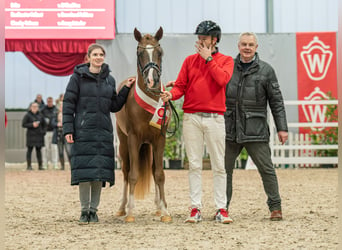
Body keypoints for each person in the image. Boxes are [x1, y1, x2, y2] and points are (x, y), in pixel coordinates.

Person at [161, 20, 234, 224]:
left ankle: (221, 208)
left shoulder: (226, 60)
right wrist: (170, 95)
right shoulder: (189, 61)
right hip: (192, 118)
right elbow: (181, 87)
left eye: (204, 38)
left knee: (219, 165)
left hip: (215, 118)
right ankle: (195, 208)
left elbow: (222, 80)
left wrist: (208, 59)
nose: (200, 41)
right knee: (194, 165)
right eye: (199, 38)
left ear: (214, 39)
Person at [63, 43, 135, 224]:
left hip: (103, 132)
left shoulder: (109, 80)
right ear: (88, 57)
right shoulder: (77, 78)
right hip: (83, 131)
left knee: (98, 174)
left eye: (101, 54)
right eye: (95, 54)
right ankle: (84, 210)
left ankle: (94, 210)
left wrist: (125, 88)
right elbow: (68, 105)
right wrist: (68, 129)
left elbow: (114, 106)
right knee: (85, 174)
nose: (98, 57)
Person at [224, 32, 288, 221]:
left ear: (256, 47)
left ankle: (275, 208)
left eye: (251, 44)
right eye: (244, 44)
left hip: (256, 129)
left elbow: (277, 102)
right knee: (224, 171)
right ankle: (222, 208)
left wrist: (282, 128)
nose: (247, 47)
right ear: (238, 46)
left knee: (267, 169)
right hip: (229, 129)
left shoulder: (267, 71)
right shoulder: (227, 68)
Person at [22, 102, 47, 170]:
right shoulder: (27, 115)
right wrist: (32, 125)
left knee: (39, 151)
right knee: (29, 151)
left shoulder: (41, 115)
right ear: (30, 107)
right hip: (31, 136)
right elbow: (23, 124)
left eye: (36, 107)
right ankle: (29, 166)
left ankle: (40, 166)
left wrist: (43, 132)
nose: (35, 108)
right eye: (33, 106)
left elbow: (45, 125)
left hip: (39, 136)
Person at [41, 97, 58, 169]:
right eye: (48, 101)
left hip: (54, 131)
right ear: (46, 102)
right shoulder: (43, 110)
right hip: (46, 132)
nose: (49, 103)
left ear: (52, 101)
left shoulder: (55, 110)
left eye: (50, 101)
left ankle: (55, 164)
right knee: (45, 149)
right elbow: (40, 119)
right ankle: (45, 163)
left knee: (54, 148)